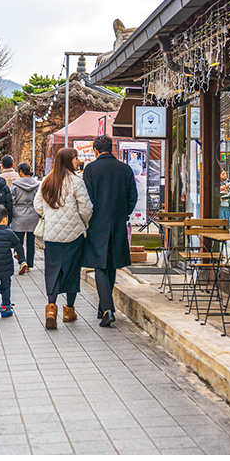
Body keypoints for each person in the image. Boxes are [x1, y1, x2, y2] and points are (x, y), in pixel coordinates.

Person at [81, 135, 137, 328]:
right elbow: (133, 196)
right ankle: (103, 305)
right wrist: (123, 214)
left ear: (95, 150)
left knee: (100, 266)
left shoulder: (91, 169)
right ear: (111, 148)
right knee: (111, 264)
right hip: (118, 222)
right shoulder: (125, 169)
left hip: (97, 223)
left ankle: (107, 309)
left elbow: (86, 198)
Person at [34, 147, 92, 330]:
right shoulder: (77, 182)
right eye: (75, 158)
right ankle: (69, 311)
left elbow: (38, 205)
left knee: (52, 271)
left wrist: (49, 216)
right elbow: (86, 209)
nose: (78, 161)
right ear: (68, 161)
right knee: (72, 271)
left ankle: (51, 309)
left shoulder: (47, 181)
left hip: (51, 236)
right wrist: (83, 223)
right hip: (74, 236)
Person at [9, 161, 40, 272]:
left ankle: (22, 261)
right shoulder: (37, 184)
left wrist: (12, 212)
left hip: (19, 214)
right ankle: (30, 264)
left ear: (21, 172)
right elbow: (39, 199)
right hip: (33, 214)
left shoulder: (15, 184)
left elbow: (11, 200)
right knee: (31, 241)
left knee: (18, 240)